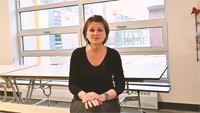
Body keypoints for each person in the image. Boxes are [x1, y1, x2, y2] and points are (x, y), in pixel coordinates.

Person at [69, 15, 125, 113]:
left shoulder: (113, 54)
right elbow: (72, 84)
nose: (96, 33)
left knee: (97, 110)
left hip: (108, 99)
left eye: (100, 30)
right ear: (86, 34)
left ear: (106, 34)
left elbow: (120, 85)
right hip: (82, 99)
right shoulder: (77, 54)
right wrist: (86, 97)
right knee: (94, 110)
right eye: (91, 30)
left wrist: (102, 96)